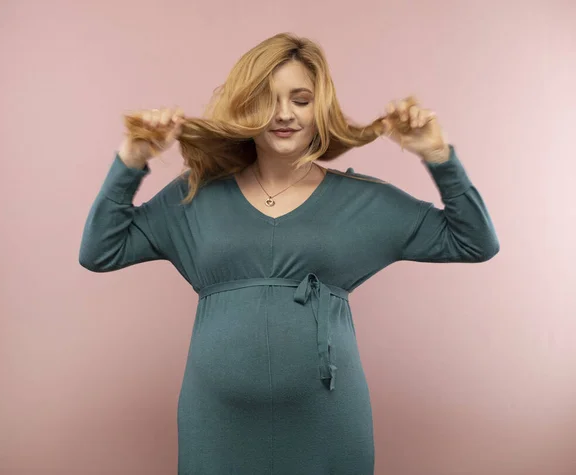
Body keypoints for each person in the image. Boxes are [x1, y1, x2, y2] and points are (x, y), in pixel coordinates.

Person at [79, 32, 499, 475]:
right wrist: (133, 157)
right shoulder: (194, 196)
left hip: (328, 425)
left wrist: (437, 155)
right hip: (217, 423)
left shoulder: (363, 202)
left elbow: (474, 241)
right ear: (246, 108)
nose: (283, 114)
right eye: (267, 99)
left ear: (321, 109)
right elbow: (101, 250)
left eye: (300, 99)